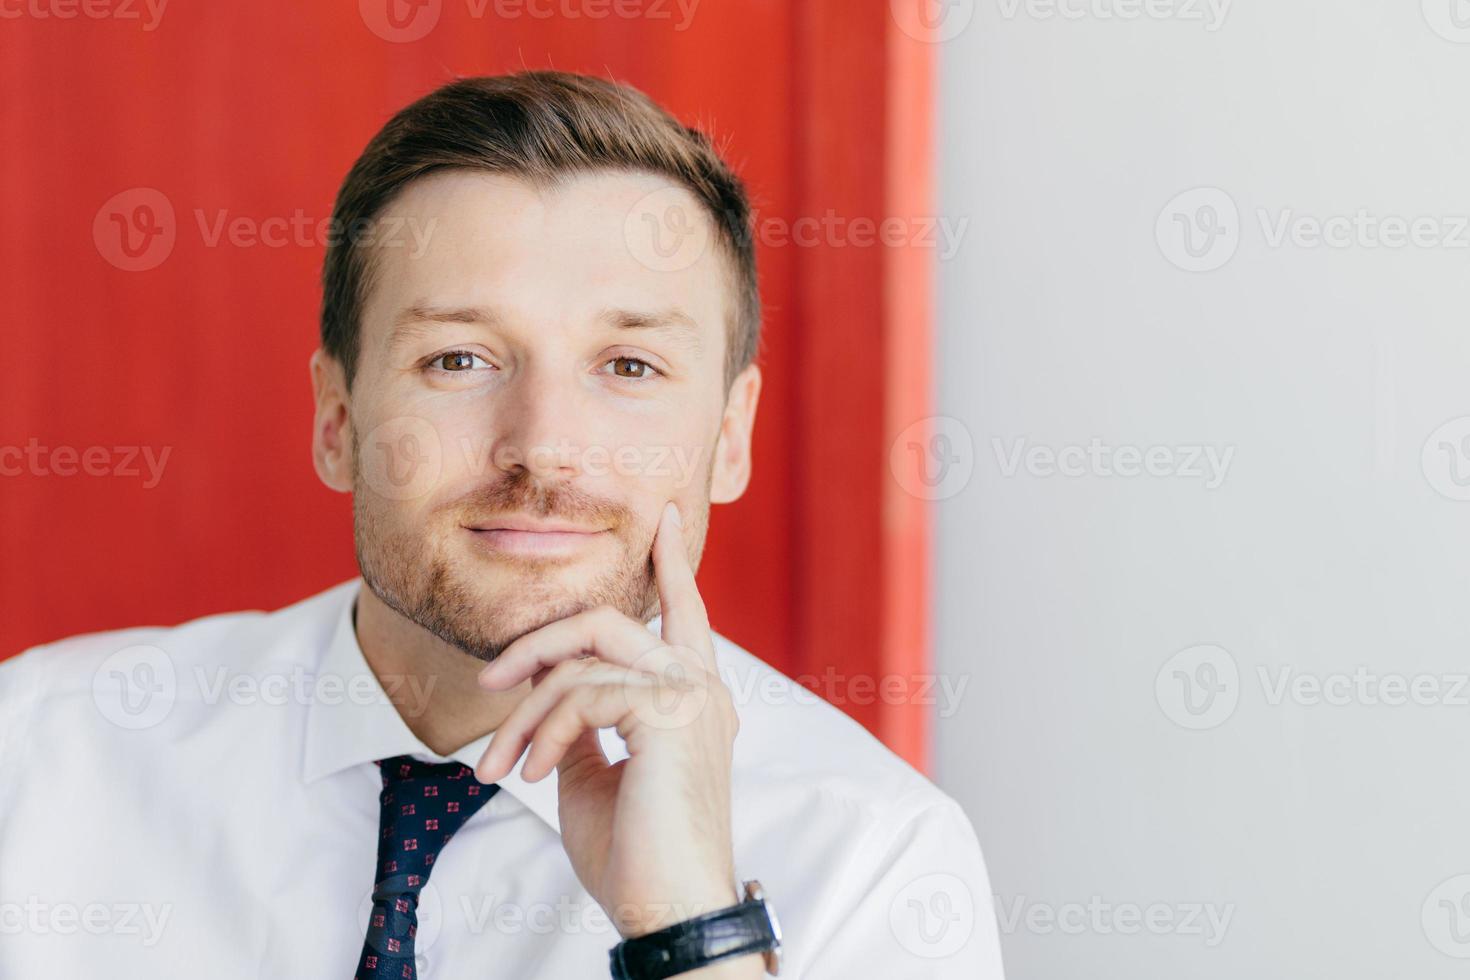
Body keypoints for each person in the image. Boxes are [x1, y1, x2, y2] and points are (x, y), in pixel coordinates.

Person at [0, 71, 1004, 980]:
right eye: (461, 360)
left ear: (729, 438)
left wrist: (690, 928)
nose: (543, 447)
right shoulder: (37, 754)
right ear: (337, 421)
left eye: (629, 367)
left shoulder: (878, 861)